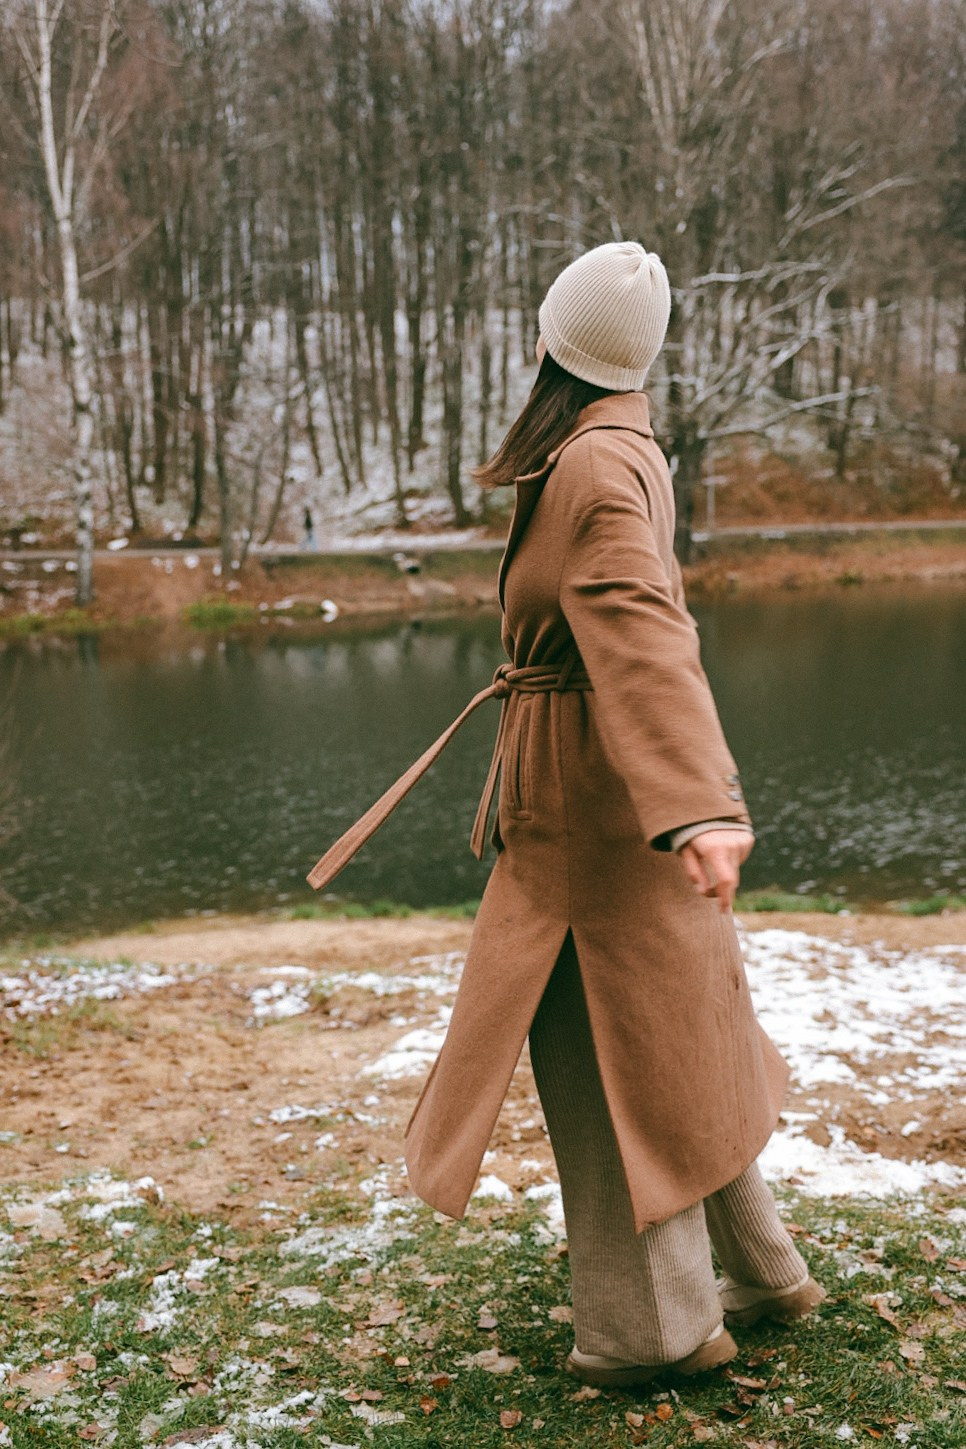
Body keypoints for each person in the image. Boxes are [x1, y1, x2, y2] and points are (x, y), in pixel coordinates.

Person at [306, 240, 824, 1388]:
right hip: (594, 799)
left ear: (551, 340)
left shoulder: (591, 463)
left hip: (595, 815)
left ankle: (656, 1330)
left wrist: (700, 804)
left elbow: (643, 628)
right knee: (673, 1042)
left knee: (606, 1061)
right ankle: (764, 1267)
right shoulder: (622, 443)